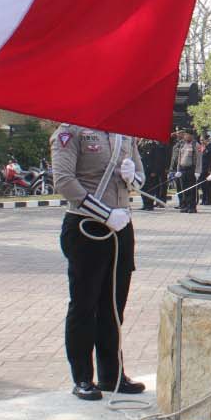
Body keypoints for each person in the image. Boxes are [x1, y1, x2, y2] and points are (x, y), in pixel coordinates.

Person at [52, 122, 143, 401]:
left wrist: (133, 178)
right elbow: (64, 181)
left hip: (121, 226)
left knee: (114, 306)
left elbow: (140, 177)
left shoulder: (125, 133)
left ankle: (112, 374)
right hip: (86, 225)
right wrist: (104, 214)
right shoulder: (70, 132)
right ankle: (82, 377)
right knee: (84, 304)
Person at [172, 130, 199, 213]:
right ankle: (186, 205)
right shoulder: (182, 144)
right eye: (185, 135)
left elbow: (199, 159)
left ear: (191, 136)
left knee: (191, 189)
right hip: (183, 169)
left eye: (187, 135)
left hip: (191, 169)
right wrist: (178, 169)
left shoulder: (196, 145)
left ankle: (192, 207)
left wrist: (197, 171)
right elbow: (179, 158)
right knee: (184, 189)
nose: (185, 136)